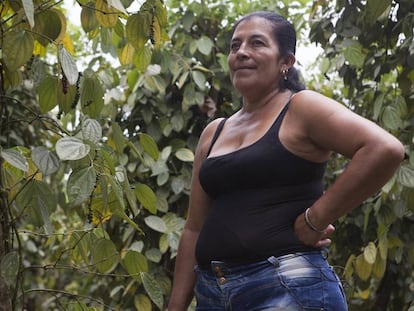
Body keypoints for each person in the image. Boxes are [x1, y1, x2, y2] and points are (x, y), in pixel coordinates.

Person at [167, 11, 405, 311]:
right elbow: (193, 229)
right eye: (235, 45)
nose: (241, 52)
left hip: (287, 288)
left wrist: (314, 219)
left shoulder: (301, 107)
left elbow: (384, 149)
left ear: (286, 62)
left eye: (256, 43)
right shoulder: (214, 132)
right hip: (213, 294)